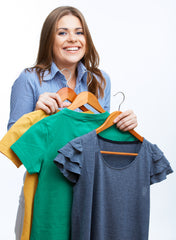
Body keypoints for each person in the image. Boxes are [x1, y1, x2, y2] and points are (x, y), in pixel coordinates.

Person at [8, 6, 138, 239]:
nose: (72, 40)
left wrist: (123, 125)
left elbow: (101, 139)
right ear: (49, 38)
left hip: (90, 191)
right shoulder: (29, 79)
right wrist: (36, 114)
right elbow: (13, 144)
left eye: (79, 32)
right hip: (44, 191)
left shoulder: (99, 80)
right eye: (62, 33)